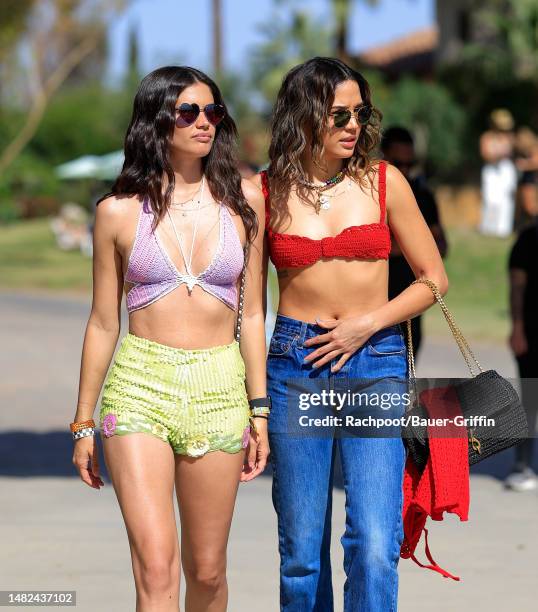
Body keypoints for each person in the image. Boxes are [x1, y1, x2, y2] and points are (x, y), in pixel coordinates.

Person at [252, 57, 449, 612]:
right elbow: (248, 311)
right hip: (296, 367)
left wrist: (370, 321)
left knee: (374, 541)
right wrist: (256, 404)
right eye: (339, 114)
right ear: (305, 115)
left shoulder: (385, 182)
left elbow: (435, 279)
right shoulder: (263, 191)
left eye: (359, 113)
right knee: (301, 553)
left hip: (376, 361)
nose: (352, 125)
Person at [70, 66, 269, 612]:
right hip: (139, 387)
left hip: (220, 386)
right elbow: (102, 322)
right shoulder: (116, 212)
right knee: (157, 570)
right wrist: (83, 421)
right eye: (189, 112)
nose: (204, 122)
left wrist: (260, 409)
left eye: (213, 111)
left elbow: (252, 316)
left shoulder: (247, 202)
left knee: (206, 572)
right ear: (157, 121)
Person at [381, 126, 448, 357]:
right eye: (399, 163)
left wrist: (402, 244)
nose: (405, 171)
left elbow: (441, 247)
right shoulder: (369, 192)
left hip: (411, 302)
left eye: (410, 165)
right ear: (384, 157)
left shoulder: (424, 196)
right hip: (376, 299)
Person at [506, 217, 538, 491]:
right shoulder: (529, 238)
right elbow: (517, 286)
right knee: (530, 398)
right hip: (532, 331)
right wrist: (517, 328)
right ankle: (523, 464)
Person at [479, 108, 518, 237]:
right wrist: (498, 154)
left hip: (505, 170)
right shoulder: (486, 137)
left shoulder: (510, 138)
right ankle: (489, 228)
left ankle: (503, 230)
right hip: (491, 171)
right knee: (491, 198)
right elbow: (485, 154)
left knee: (506, 199)